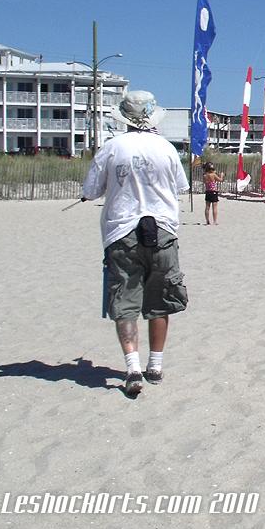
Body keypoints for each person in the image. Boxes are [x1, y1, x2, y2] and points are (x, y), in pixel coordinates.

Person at [81, 91, 189, 398]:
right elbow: (181, 186)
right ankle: (155, 365)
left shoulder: (112, 147)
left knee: (125, 301)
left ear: (125, 118)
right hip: (163, 230)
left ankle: (133, 368)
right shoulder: (166, 148)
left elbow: (91, 190)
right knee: (160, 300)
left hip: (121, 232)